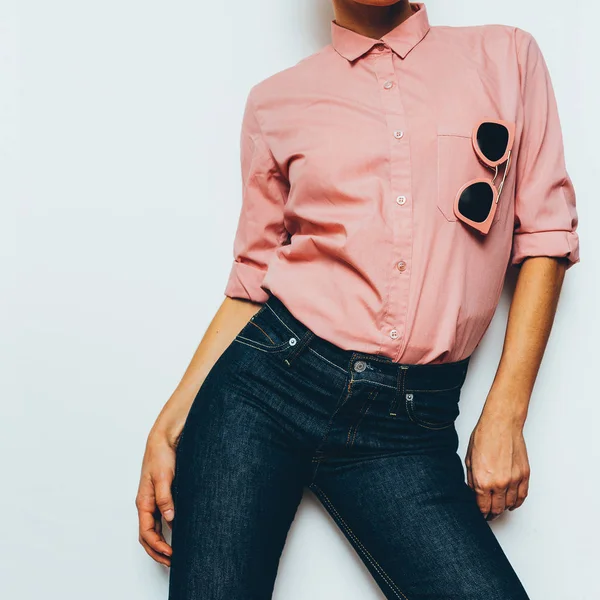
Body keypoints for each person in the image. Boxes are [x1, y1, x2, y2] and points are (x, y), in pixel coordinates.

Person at [136, 1, 580, 598]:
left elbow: (546, 236)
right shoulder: (277, 102)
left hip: (407, 429)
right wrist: (170, 422)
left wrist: (506, 413)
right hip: (265, 389)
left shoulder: (505, 56)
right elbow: (253, 279)